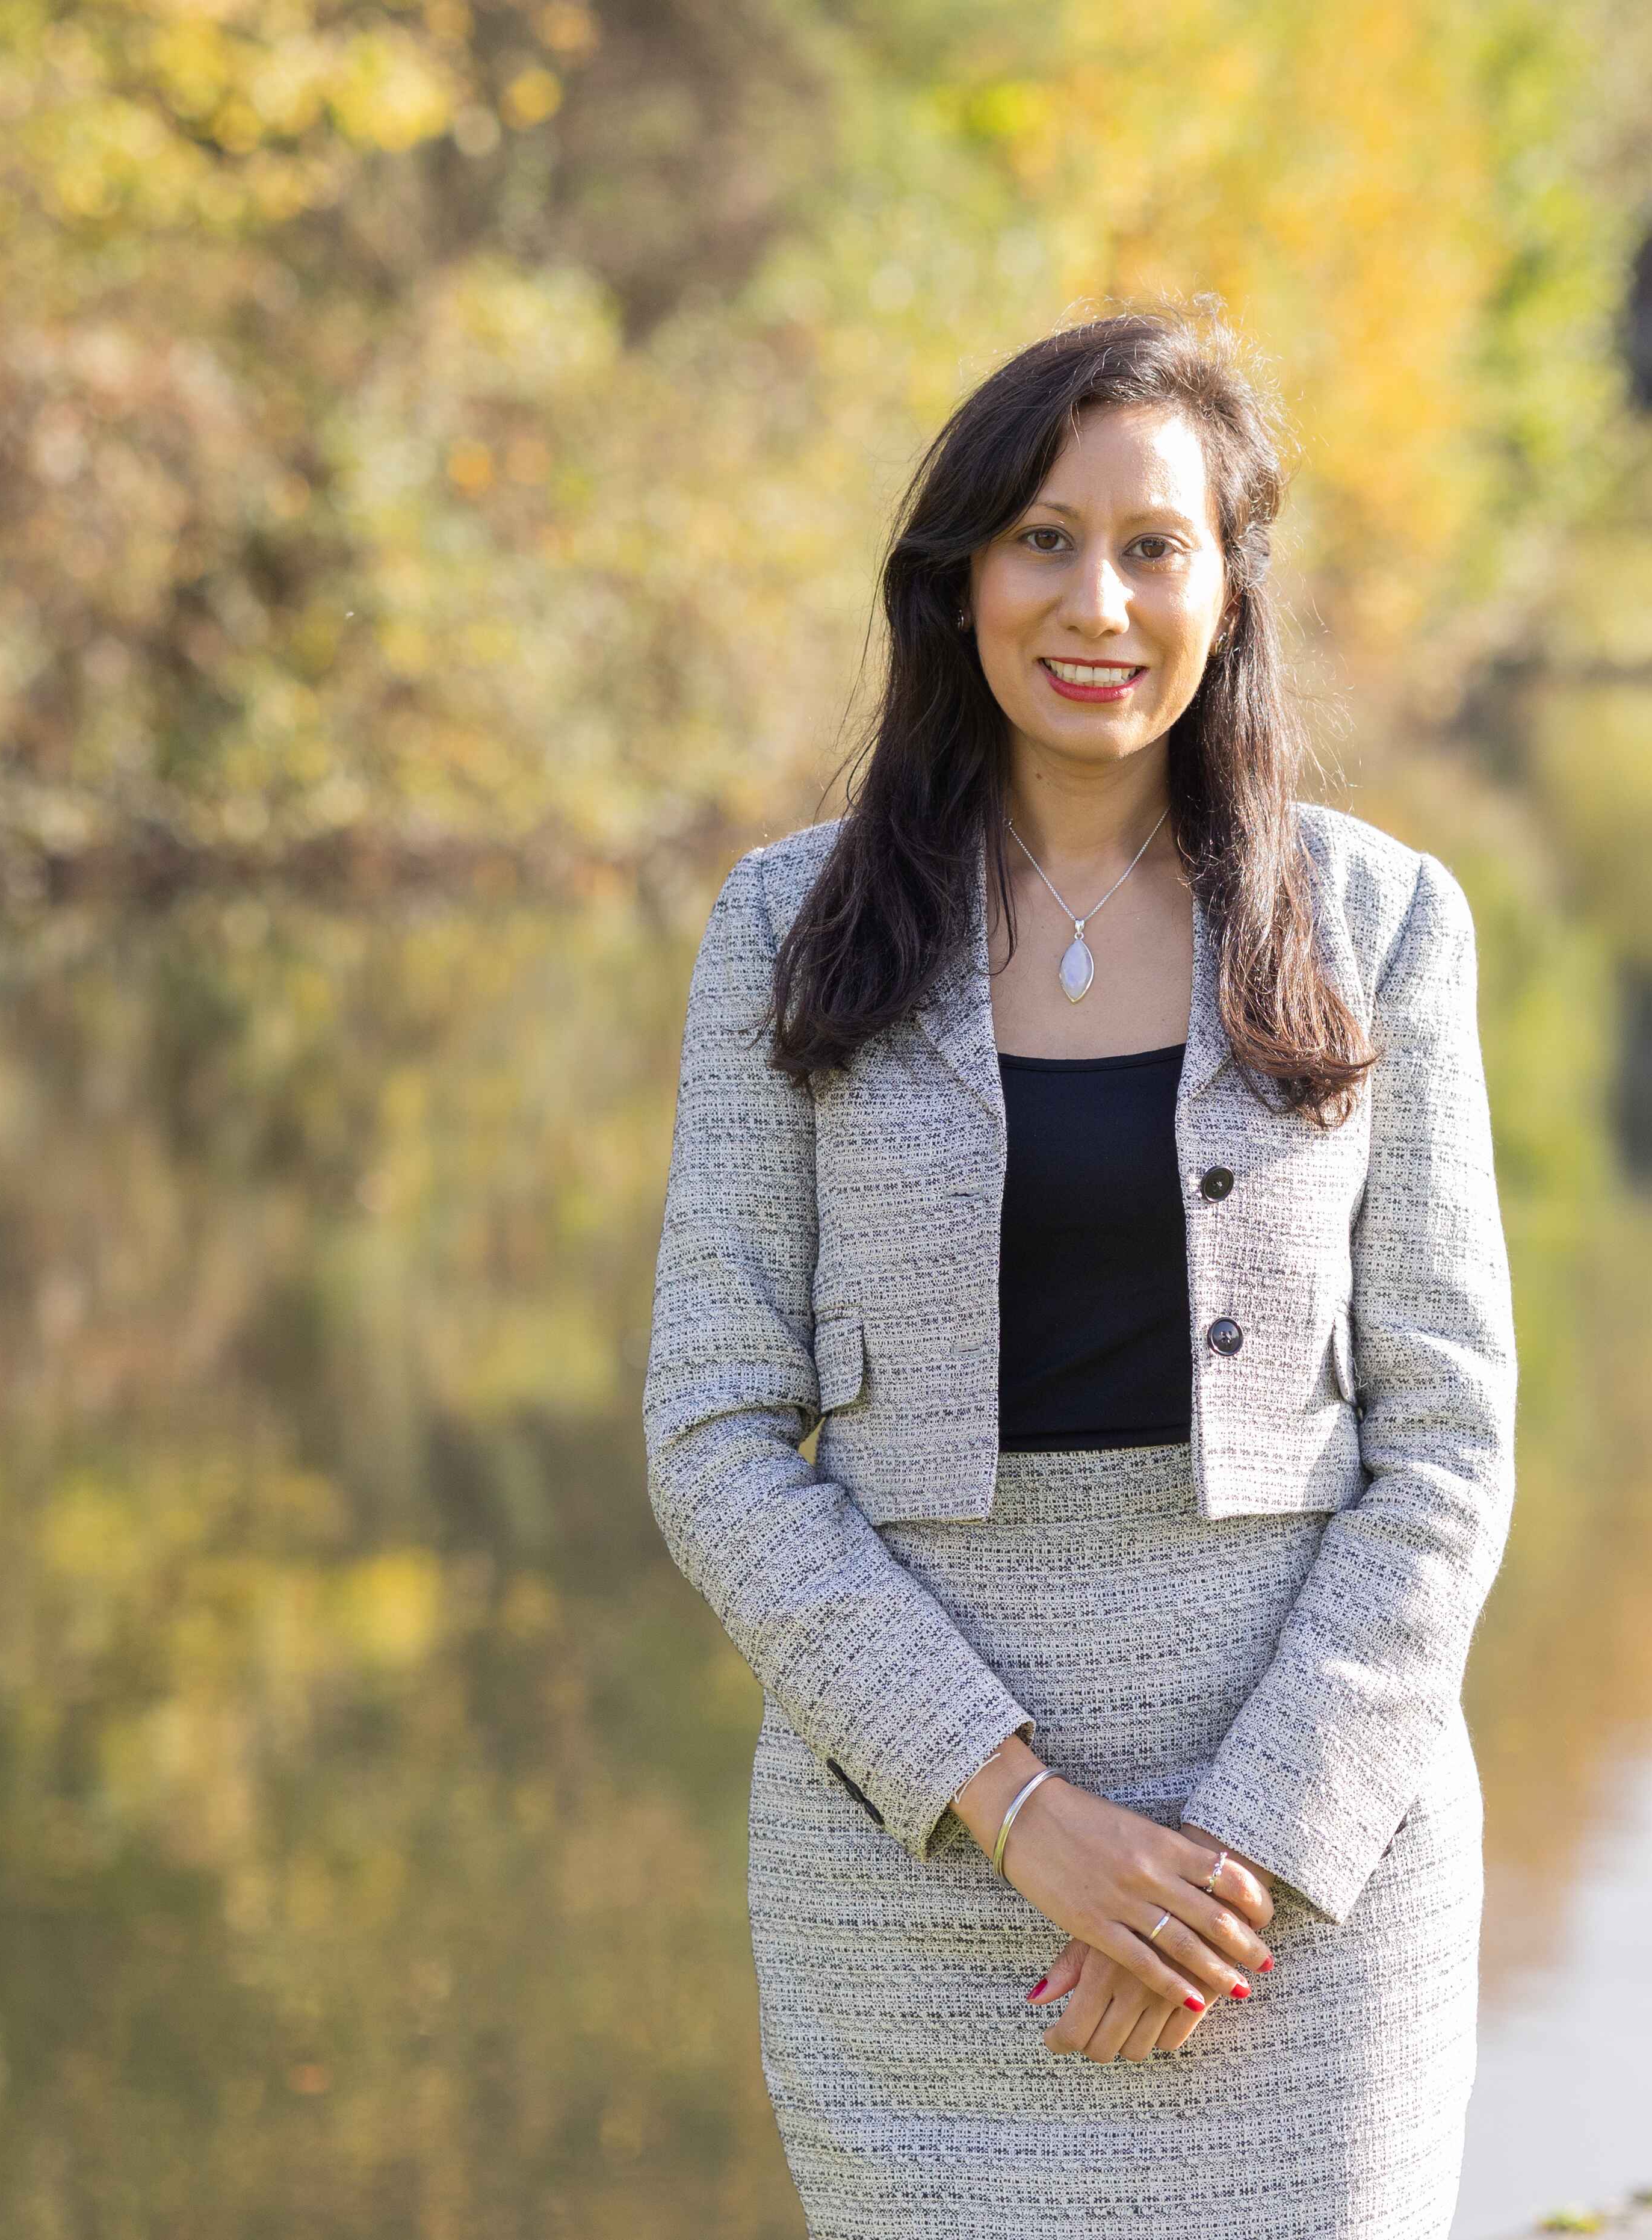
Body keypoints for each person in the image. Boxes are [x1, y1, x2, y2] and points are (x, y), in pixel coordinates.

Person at [640, 306, 1516, 2236]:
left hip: (1302, 1890)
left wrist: (1242, 1856)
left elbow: (1450, 1445)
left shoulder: (1384, 923)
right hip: (921, 1879)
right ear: (956, 580)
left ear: (1231, 584)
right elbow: (714, 1434)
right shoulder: (785, 929)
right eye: (1042, 538)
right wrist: (1024, 1812)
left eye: (1152, 544)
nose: (1095, 600)